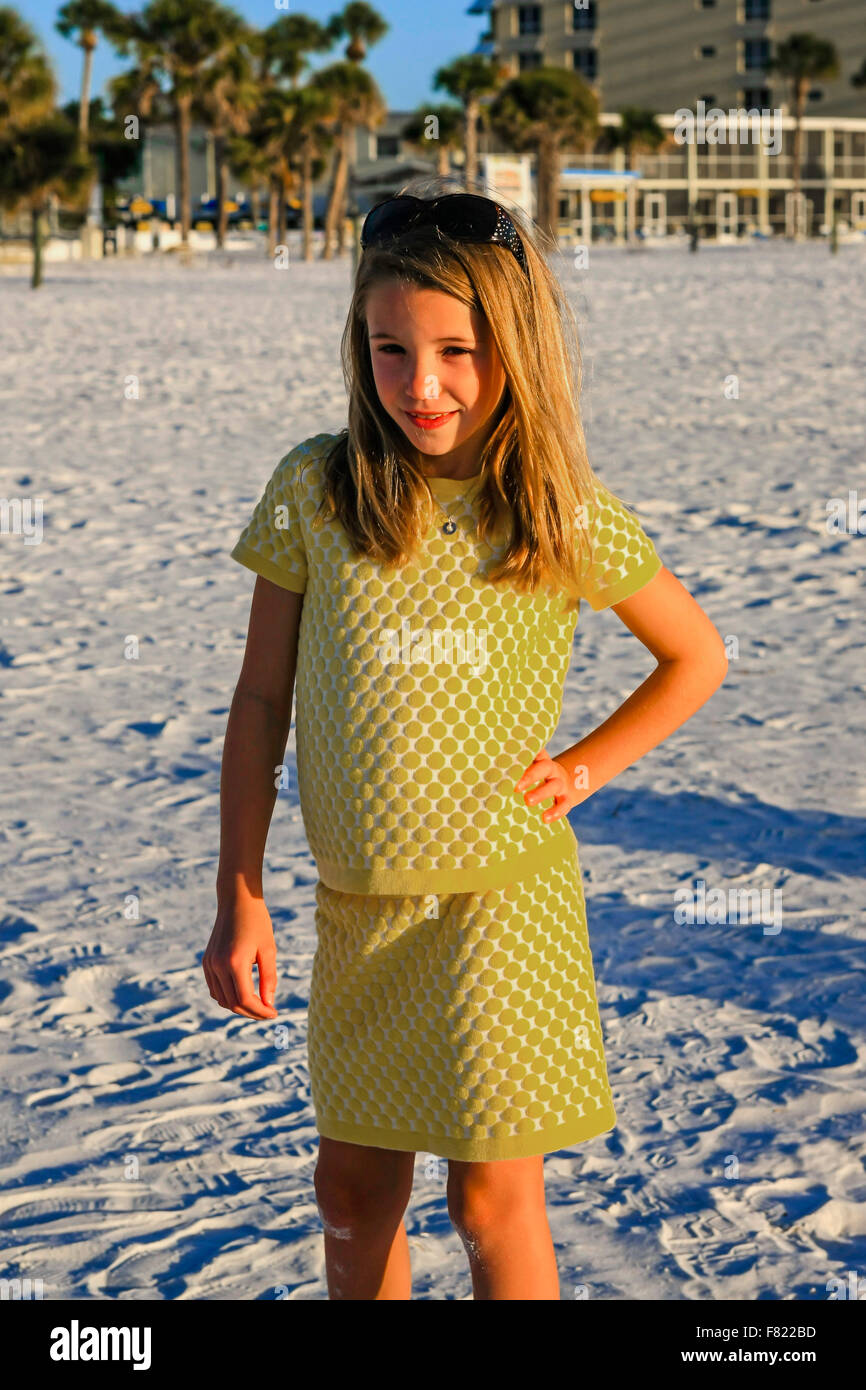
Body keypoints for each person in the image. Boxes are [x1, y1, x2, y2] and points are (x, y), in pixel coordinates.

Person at [203, 174, 728, 1300]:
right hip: (358, 907)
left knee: (488, 1200)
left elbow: (694, 655)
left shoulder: (554, 506)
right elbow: (258, 703)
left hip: (501, 906)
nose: (421, 383)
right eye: (389, 348)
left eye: (456, 348)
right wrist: (238, 888)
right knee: (349, 1192)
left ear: (514, 348)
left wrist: (584, 766)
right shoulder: (317, 488)